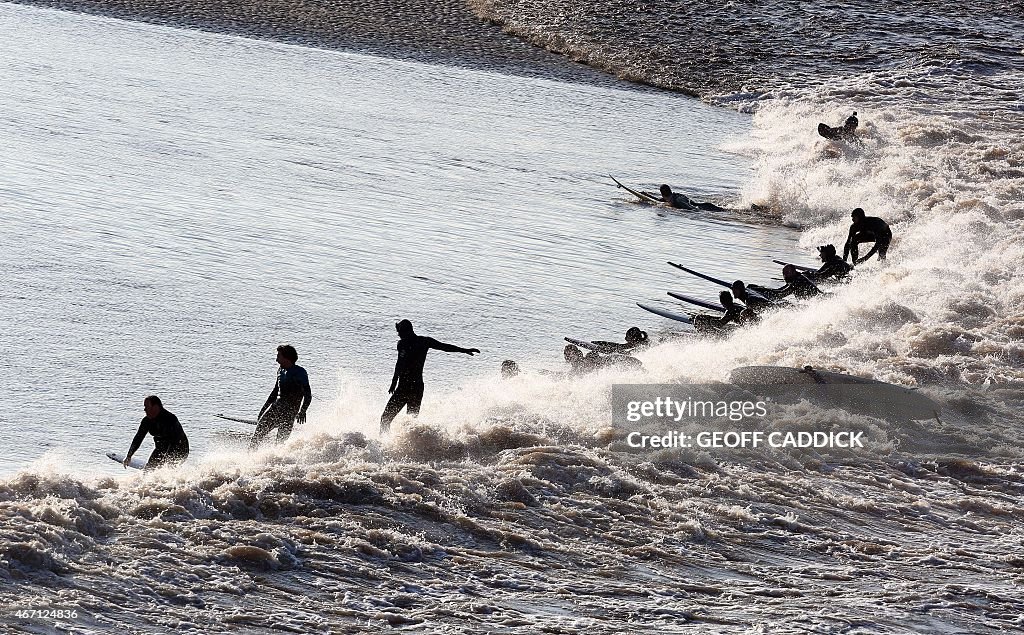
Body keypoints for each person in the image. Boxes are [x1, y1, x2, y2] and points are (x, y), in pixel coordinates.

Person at [381, 320, 479, 432]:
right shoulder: (412, 343)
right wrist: (393, 382)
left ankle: (386, 447)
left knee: (393, 421)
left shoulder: (420, 342)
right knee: (408, 424)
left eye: (400, 332)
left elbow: (444, 347)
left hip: (407, 388)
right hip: (415, 388)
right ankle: (398, 446)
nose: (398, 335)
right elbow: (399, 363)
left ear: (408, 331)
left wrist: (464, 350)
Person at [250, 344, 312, 448]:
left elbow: (308, 395)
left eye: (279, 356)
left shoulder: (300, 372)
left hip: (289, 414)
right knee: (256, 437)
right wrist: (264, 409)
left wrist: (303, 411)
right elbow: (274, 392)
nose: (276, 360)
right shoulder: (280, 370)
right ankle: (250, 460)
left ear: (287, 358)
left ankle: (277, 462)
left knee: (279, 444)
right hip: (275, 409)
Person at [123, 395, 189, 470]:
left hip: (180, 449)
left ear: (155, 407)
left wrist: (164, 461)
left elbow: (175, 440)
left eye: (147, 406)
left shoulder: (170, 419)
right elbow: (138, 438)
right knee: (148, 471)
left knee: (168, 470)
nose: (144, 409)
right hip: (161, 448)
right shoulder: (146, 421)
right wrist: (129, 455)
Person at [749, 265, 821, 302]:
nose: (784, 276)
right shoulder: (795, 279)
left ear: (793, 272)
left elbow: (780, 294)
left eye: (787, 273)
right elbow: (780, 290)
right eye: (783, 274)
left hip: (820, 301)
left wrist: (759, 291)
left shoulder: (798, 281)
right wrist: (760, 288)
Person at [641, 184, 728, 211]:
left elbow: (693, 209)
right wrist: (646, 195)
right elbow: (657, 200)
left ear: (663, 194)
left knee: (725, 211)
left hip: (706, 208)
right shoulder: (671, 198)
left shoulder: (678, 200)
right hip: (705, 206)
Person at [563, 344, 642, 374]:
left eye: (572, 354)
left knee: (637, 364)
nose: (570, 356)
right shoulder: (575, 369)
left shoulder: (586, 359)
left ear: (579, 353)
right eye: (568, 355)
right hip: (610, 363)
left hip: (610, 360)